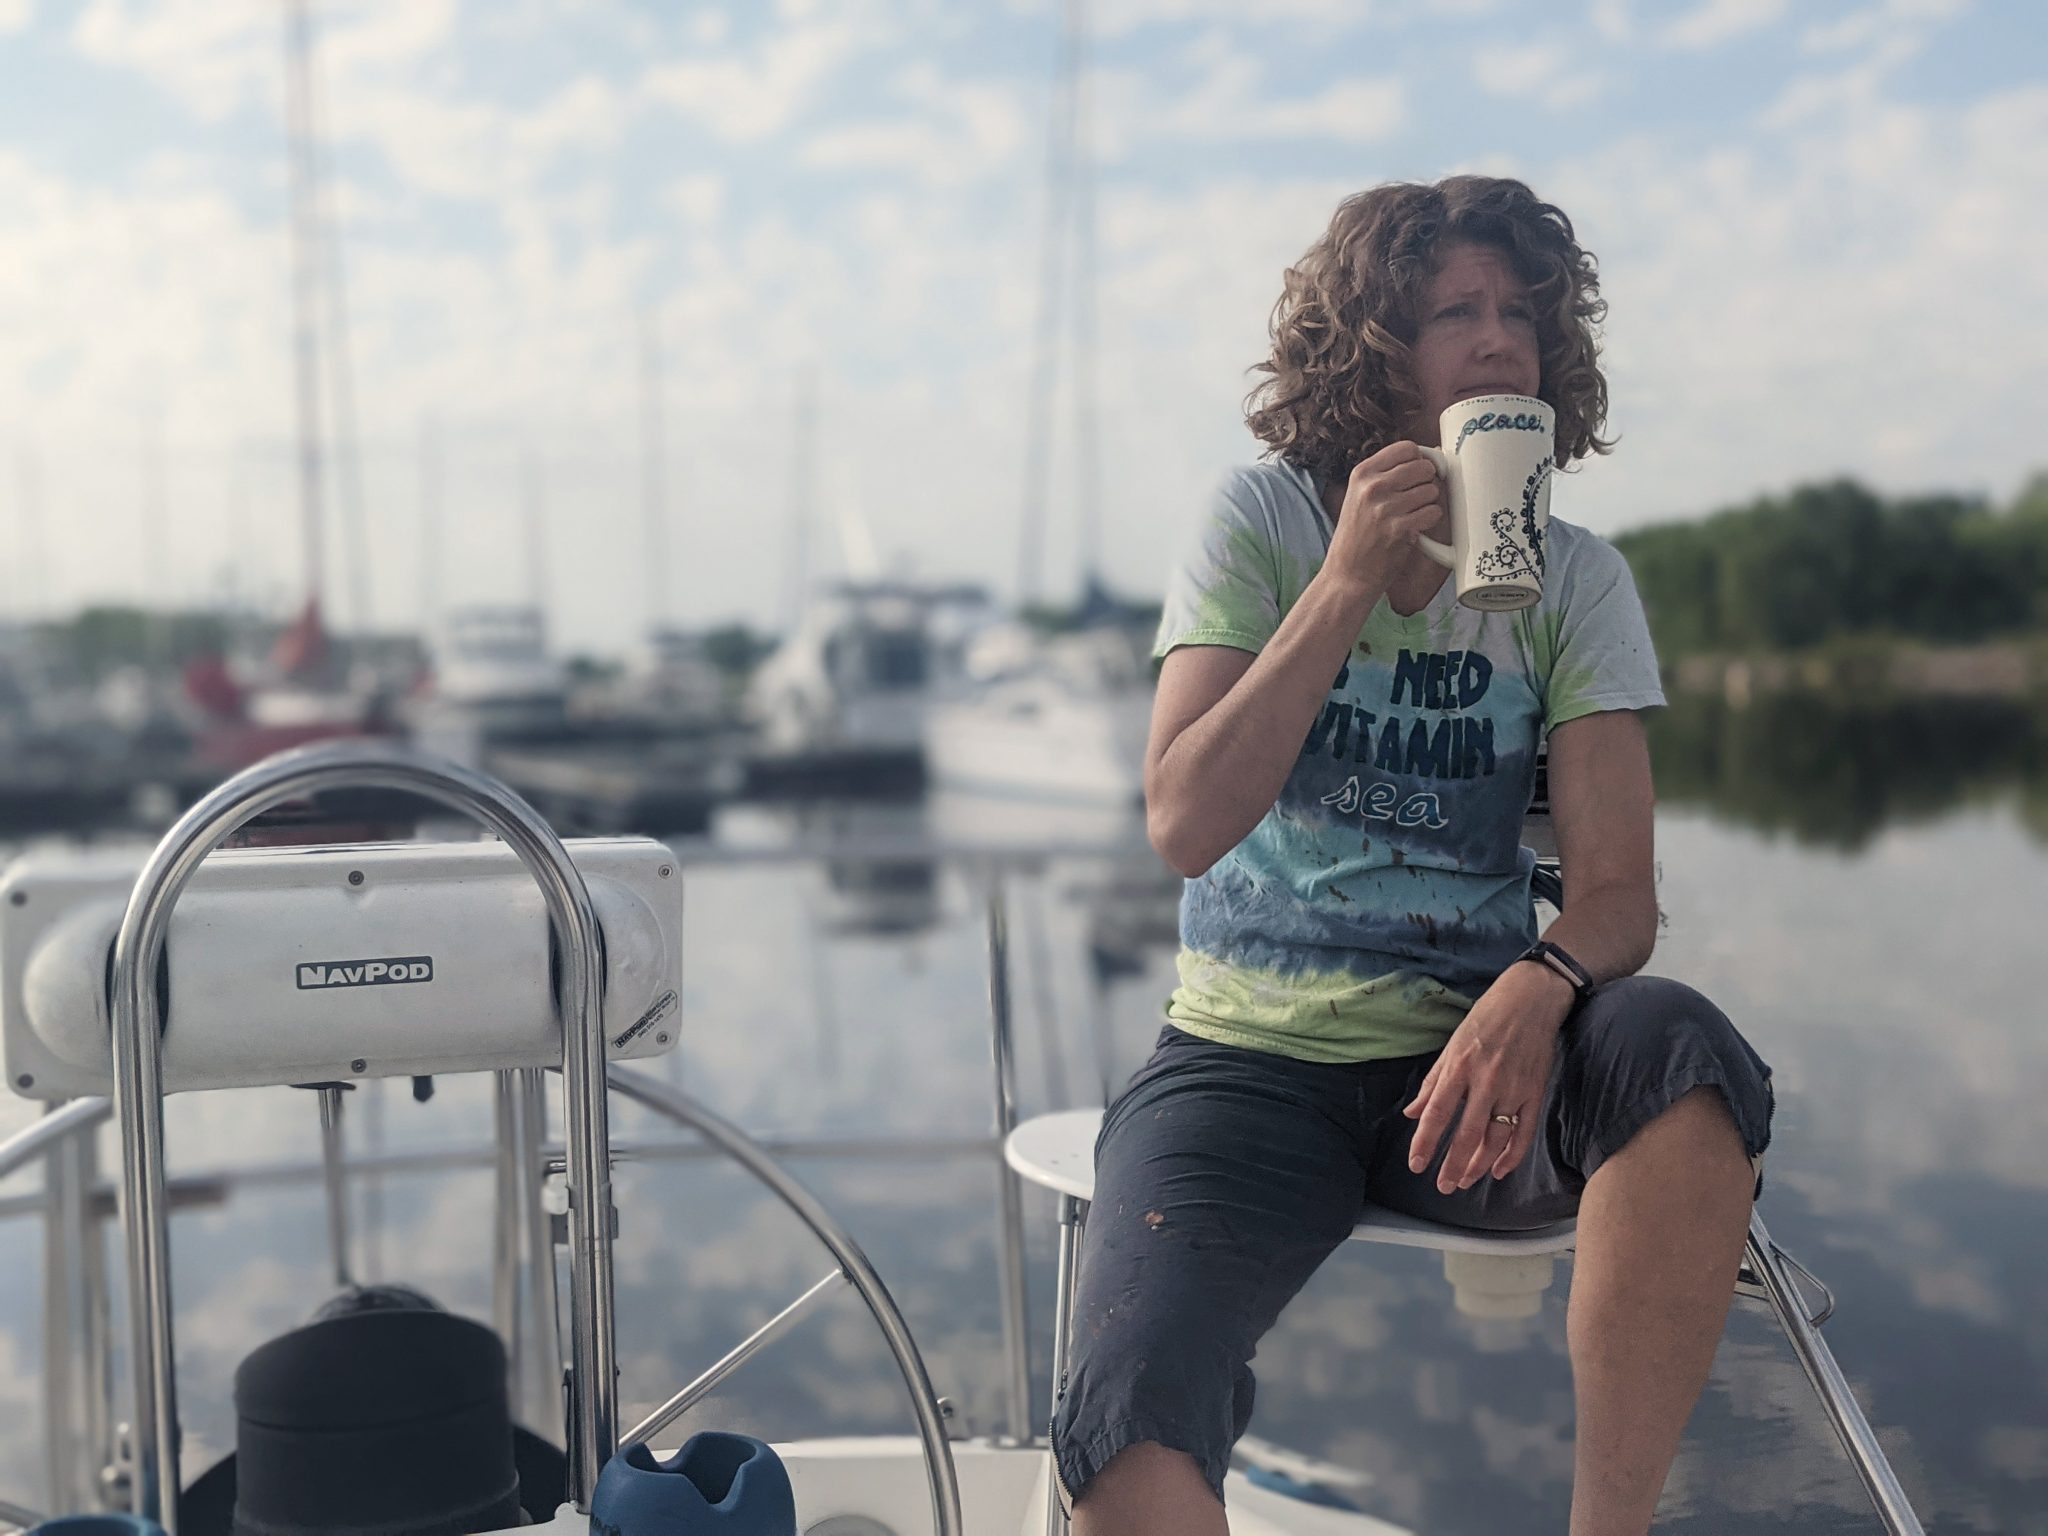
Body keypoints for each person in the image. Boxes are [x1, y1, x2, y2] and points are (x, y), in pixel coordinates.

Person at [1048, 176, 1776, 1536]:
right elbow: (1183, 822)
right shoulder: (1261, 522)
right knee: (1129, 1407)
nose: (1502, 340)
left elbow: (1618, 896)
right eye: (1456, 313)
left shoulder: (1577, 582)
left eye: (1522, 314)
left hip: (1477, 1064)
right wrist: (1343, 582)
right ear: (1373, 350)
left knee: (1679, 1053)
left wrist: (1539, 986)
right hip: (1247, 1059)